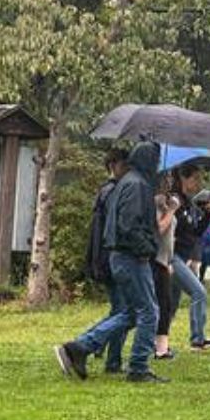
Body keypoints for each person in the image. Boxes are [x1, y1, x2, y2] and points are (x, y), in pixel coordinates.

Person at [56, 142, 166, 383]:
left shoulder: (127, 182)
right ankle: (138, 367)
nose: (158, 166)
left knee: (130, 312)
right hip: (131, 256)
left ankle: (80, 347)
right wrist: (148, 248)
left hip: (120, 256)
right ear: (148, 161)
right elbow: (129, 226)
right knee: (149, 312)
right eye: (156, 161)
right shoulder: (137, 185)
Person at [82, 148, 131, 373]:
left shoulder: (105, 191)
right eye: (124, 164)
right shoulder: (112, 192)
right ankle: (80, 345)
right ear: (113, 165)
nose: (127, 169)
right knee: (123, 312)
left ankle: (110, 359)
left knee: (119, 310)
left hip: (103, 256)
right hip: (110, 257)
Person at [167, 165, 210, 352]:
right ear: (182, 177)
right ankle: (198, 339)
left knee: (170, 305)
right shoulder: (174, 201)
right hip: (171, 257)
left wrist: (208, 214)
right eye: (195, 178)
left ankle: (158, 344)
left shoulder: (188, 203)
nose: (198, 183)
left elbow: (195, 233)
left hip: (181, 256)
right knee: (199, 292)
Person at [152, 177, 179, 360]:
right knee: (161, 304)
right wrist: (171, 210)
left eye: (170, 179)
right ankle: (160, 349)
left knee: (166, 304)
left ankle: (161, 346)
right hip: (154, 259)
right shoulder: (154, 203)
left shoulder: (165, 202)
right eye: (165, 179)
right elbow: (159, 228)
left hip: (164, 260)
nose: (168, 183)